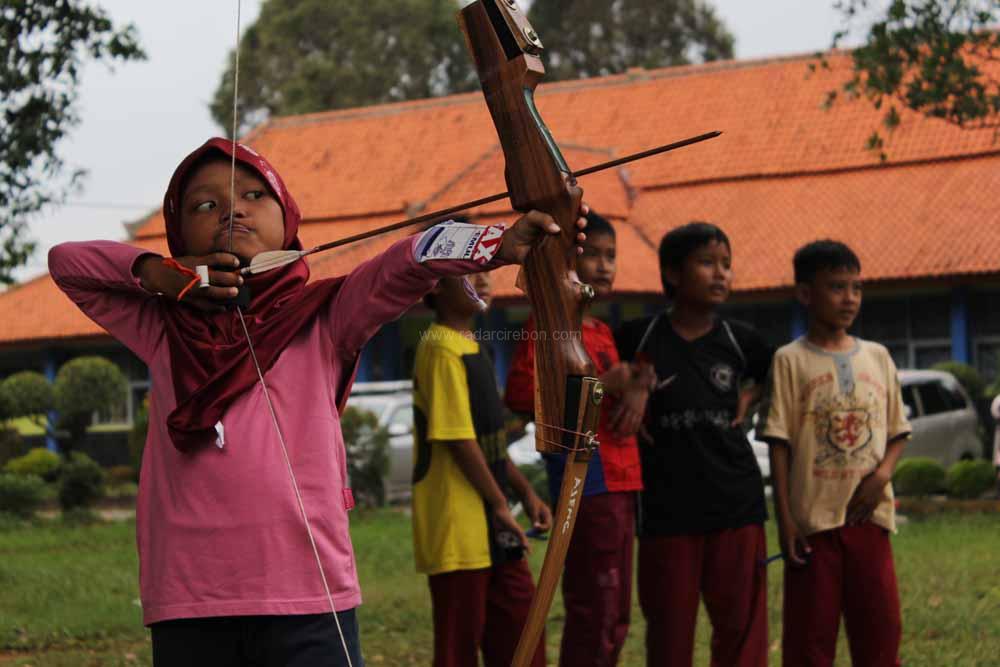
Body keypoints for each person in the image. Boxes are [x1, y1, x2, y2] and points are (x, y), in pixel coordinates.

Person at [48, 137, 587, 667]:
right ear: (178, 232)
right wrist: (155, 272)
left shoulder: (326, 316)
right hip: (190, 596)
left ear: (288, 219)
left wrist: (494, 242)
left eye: (255, 196)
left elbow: (402, 265)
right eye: (204, 204)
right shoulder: (162, 328)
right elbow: (67, 263)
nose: (232, 210)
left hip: (307, 594)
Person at [615, 221, 772, 667]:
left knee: (742, 634)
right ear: (672, 273)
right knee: (668, 636)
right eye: (707, 263)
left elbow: (778, 372)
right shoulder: (637, 337)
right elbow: (596, 376)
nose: (721, 274)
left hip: (736, 506)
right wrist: (631, 385)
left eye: (727, 264)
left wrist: (754, 391)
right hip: (666, 511)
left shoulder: (742, 341)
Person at [505, 211, 649, 667]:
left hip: (625, 479)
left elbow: (623, 389)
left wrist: (637, 386)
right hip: (589, 482)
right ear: (567, 262)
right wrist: (608, 381)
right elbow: (527, 396)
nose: (606, 266)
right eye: (594, 256)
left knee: (617, 609)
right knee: (595, 603)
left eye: (612, 257)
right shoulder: (548, 325)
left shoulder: (602, 331)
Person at [759, 239, 911, 667]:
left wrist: (882, 476)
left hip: (869, 519)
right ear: (806, 294)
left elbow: (898, 430)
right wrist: (786, 521)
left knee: (881, 632)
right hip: (813, 526)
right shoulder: (789, 360)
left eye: (856, 288)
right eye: (837, 287)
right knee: (810, 641)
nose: (850, 299)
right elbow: (779, 443)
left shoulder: (878, 357)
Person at [412, 269, 552, 667]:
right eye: (471, 272)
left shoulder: (476, 345)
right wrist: (500, 505)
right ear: (436, 284)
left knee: (521, 634)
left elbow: (489, 443)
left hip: (493, 520)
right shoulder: (439, 347)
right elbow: (457, 438)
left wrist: (525, 492)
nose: (486, 280)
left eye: (488, 271)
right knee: (459, 648)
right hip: (459, 526)